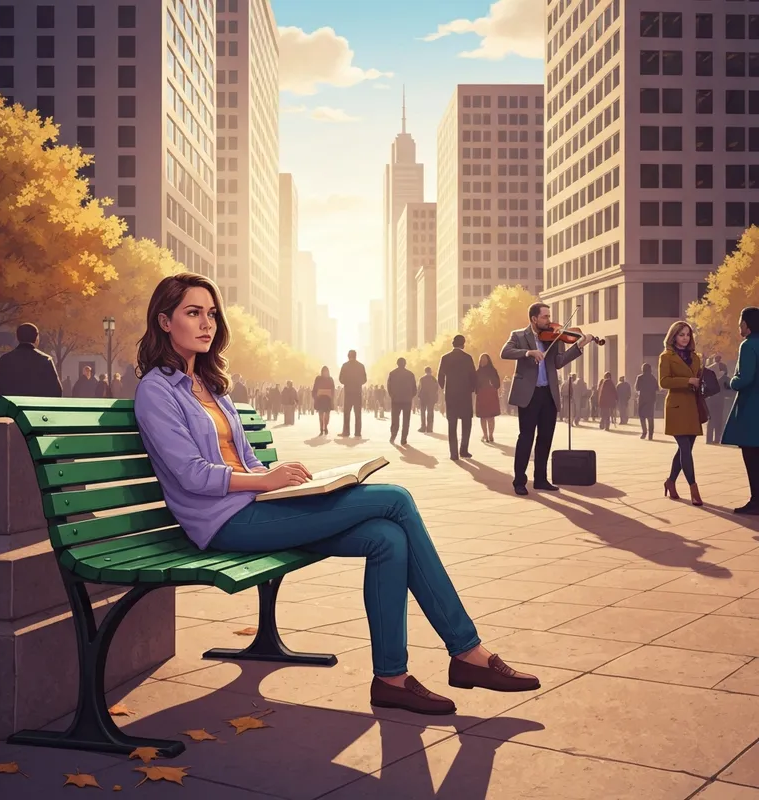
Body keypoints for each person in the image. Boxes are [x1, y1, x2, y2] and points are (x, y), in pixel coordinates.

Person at [132, 272, 540, 715]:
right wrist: (265, 482)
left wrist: (290, 483)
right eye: (193, 313)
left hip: (259, 508)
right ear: (165, 321)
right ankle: (466, 652)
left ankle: (391, 678)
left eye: (211, 313)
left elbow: (246, 459)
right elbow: (191, 475)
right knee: (395, 499)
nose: (206, 323)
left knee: (388, 538)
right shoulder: (156, 391)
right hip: (224, 523)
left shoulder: (212, 386)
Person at [501, 303, 592, 495]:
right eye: (545, 317)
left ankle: (541, 479)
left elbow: (558, 362)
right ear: (534, 319)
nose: (549, 320)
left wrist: (578, 346)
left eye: (549, 316)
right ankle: (519, 481)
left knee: (545, 438)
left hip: (548, 394)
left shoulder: (554, 337)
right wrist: (528, 352)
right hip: (529, 394)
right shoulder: (518, 335)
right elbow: (505, 352)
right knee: (526, 438)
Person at [659, 321, 704, 506]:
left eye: (687, 334)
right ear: (673, 336)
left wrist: (701, 382)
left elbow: (698, 379)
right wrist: (687, 381)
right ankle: (694, 489)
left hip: (692, 407)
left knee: (684, 450)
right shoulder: (666, 356)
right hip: (676, 408)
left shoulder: (696, 357)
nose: (685, 338)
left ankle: (670, 481)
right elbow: (664, 382)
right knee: (685, 449)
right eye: (681, 334)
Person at [722, 307, 759, 515]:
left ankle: (756, 501)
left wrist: (731, 381)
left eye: (740, 321)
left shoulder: (748, 346)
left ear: (747, 324)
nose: (739, 325)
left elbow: (745, 378)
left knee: (752, 457)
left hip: (752, 407)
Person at [0, 323, 63, 399]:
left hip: (12, 408)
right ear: (36, 338)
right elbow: (57, 391)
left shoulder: (5, 359)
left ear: (18, 337)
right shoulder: (46, 360)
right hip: (37, 408)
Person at [437, 335, 477, 461]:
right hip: (465, 395)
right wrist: (471, 389)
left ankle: (453, 453)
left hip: (451, 395)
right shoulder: (467, 358)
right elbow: (473, 376)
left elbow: (440, 376)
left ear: (452, 344)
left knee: (452, 424)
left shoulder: (445, 357)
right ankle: (464, 450)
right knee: (466, 423)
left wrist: (444, 388)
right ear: (463, 344)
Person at [387, 357, 417, 446]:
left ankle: (393, 436)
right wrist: (410, 396)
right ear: (405, 364)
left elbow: (389, 387)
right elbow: (414, 388)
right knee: (406, 420)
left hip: (396, 400)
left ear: (397, 363)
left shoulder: (392, 373)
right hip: (407, 400)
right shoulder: (410, 374)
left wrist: (392, 395)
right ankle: (403, 439)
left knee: (395, 419)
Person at [338, 350, 367, 438]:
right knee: (358, 413)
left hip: (348, 392)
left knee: (347, 412)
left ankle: (346, 432)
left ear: (348, 356)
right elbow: (364, 379)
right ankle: (357, 432)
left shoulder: (345, 366)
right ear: (356, 356)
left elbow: (340, 379)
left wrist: (347, 382)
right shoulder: (361, 366)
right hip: (357, 392)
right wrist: (358, 383)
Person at [475, 353, 501, 444]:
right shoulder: (478, 371)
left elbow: (497, 383)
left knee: (490, 416)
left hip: (490, 394)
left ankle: (490, 434)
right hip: (482, 394)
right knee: (483, 416)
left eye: (484, 360)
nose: (483, 362)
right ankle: (485, 434)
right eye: (482, 360)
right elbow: (475, 384)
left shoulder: (492, 371)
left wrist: (493, 386)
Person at [705, 355, 727, 445]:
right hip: (720, 399)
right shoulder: (724, 377)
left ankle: (709, 439)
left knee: (710, 419)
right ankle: (717, 438)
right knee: (719, 419)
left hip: (710, 399)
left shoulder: (710, 372)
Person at [635, 363, 659, 440]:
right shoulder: (653, 378)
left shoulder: (640, 377)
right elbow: (657, 388)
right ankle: (650, 435)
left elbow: (637, 388)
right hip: (651, 399)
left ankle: (644, 432)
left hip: (642, 399)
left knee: (642, 416)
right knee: (650, 417)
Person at [312, 367, 335, 436]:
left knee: (327, 416)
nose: (325, 373)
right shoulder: (318, 379)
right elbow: (315, 388)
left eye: (326, 371)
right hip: (320, 399)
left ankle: (326, 427)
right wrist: (315, 395)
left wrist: (332, 397)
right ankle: (321, 429)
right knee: (321, 415)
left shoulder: (330, 379)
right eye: (324, 371)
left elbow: (333, 389)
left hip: (328, 400)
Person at [417, 367, 439, 433]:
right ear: (431, 371)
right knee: (430, 412)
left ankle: (423, 427)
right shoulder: (434, 379)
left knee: (423, 412)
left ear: (425, 371)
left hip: (423, 398)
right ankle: (430, 428)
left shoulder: (422, 379)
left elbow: (419, 388)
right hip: (431, 398)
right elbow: (436, 389)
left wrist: (419, 396)